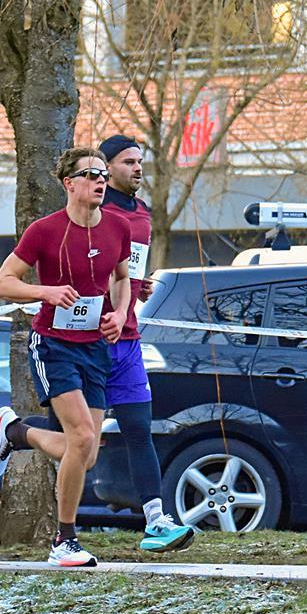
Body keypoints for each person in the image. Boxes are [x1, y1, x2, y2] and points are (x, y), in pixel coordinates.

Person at [0, 147, 132, 568]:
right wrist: (45, 291)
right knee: (80, 439)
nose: (100, 181)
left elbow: (121, 278)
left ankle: (14, 433)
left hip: (95, 346)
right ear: (69, 184)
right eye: (91, 174)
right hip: (53, 345)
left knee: (88, 451)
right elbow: (1, 283)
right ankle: (65, 540)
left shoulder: (118, 227)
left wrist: (118, 313)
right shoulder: (44, 231)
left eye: (103, 174)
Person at [96, 134, 195, 552]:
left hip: (129, 336)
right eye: (127, 162)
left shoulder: (143, 212)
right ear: (105, 168)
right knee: (79, 439)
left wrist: (139, 286)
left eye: (140, 161)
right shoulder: (92, 211)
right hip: (89, 337)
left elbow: (127, 268)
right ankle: (14, 433)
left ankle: (156, 521)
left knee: (138, 430)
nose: (137, 168)